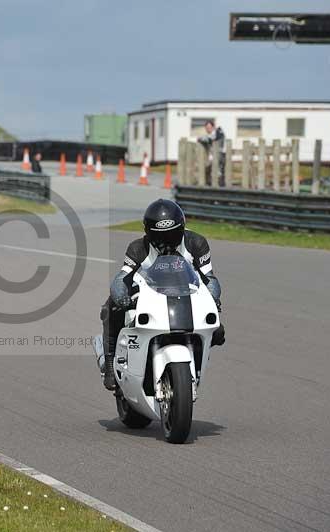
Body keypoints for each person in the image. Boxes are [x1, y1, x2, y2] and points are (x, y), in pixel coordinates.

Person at [100, 199, 225, 391]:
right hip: (148, 295)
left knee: (218, 332)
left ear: (182, 228)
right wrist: (121, 297)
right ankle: (110, 362)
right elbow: (122, 278)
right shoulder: (137, 248)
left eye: (172, 234)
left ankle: (194, 366)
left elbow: (209, 279)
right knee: (111, 307)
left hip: (186, 296)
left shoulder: (196, 243)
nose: (167, 241)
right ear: (148, 233)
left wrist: (213, 300)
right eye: (160, 236)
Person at [197, 120, 226, 186]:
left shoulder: (218, 132)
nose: (208, 129)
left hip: (220, 155)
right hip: (213, 156)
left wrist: (200, 139)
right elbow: (205, 139)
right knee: (211, 171)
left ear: (213, 127)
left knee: (219, 172)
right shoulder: (210, 134)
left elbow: (210, 139)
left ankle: (220, 186)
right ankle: (212, 184)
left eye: (209, 128)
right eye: (206, 128)